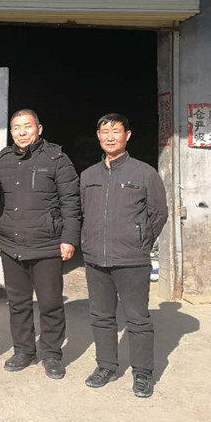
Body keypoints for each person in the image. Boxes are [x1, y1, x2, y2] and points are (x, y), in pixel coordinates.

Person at [80, 113, 168, 398]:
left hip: (132, 259)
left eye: (115, 131)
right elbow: (82, 212)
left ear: (127, 135)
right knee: (101, 316)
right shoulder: (88, 175)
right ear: (98, 136)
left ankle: (143, 373)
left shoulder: (145, 173)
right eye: (104, 131)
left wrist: (140, 242)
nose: (110, 136)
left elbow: (159, 213)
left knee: (137, 318)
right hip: (96, 259)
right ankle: (106, 366)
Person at [0, 109, 80, 380]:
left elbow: (71, 202)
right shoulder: (3, 160)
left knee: (50, 302)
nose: (21, 132)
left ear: (39, 129)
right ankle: (24, 351)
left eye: (27, 126)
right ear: (11, 131)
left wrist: (69, 238)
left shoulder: (56, 159)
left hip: (46, 243)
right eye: (16, 127)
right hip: (10, 243)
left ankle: (51, 353)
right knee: (18, 303)